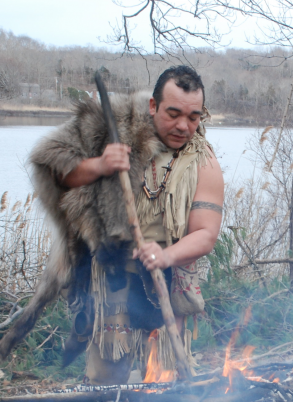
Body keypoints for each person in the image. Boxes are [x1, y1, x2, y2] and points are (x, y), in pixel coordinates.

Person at [32, 65, 224, 384]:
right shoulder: (120, 137)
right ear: (153, 106)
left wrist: (166, 256)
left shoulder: (203, 162)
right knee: (105, 383)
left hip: (171, 281)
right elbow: (60, 176)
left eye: (193, 117)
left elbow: (206, 234)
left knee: (170, 386)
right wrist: (99, 165)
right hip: (113, 278)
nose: (183, 126)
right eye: (173, 114)